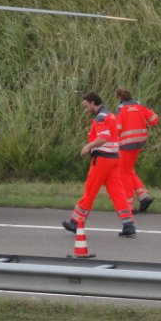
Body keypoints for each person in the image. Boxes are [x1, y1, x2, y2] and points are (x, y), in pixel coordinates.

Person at [62, 92, 136, 237]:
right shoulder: (110, 115)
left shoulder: (100, 117)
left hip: (102, 160)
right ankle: (129, 225)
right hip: (114, 158)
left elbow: (103, 138)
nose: (86, 110)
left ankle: (75, 222)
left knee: (90, 191)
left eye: (86, 106)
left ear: (92, 102)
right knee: (118, 193)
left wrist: (88, 146)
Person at [115, 88, 160, 213]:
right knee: (129, 170)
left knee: (124, 173)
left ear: (119, 98)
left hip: (125, 144)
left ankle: (129, 206)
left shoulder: (120, 108)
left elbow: (117, 128)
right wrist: (145, 124)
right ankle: (144, 196)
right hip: (139, 142)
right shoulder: (140, 105)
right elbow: (155, 119)